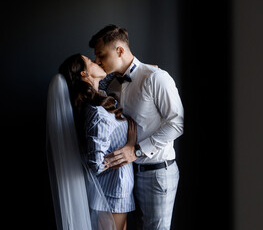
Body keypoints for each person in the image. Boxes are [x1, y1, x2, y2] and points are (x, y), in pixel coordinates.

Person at [88, 24, 184, 230]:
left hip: (156, 173)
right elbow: (89, 85)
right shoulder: (111, 84)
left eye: (101, 55)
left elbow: (177, 124)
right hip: (127, 175)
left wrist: (137, 150)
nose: (97, 61)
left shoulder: (156, 78)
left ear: (120, 51)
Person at [55, 53, 137, 230]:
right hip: (112, 190)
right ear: (84, 74)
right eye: (91, 62)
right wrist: (129, 147)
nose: (97, 61)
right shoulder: (98, 113)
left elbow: (125, 71)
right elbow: (96, 164)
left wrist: (148, 69)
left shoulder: (99, 98)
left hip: (118, 188)